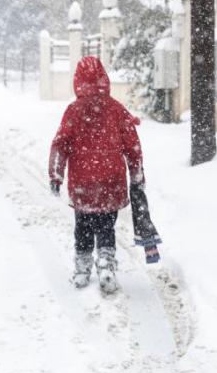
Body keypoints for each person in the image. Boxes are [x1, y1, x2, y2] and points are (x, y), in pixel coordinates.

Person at [48, 56, 151, 294]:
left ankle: (82, 268)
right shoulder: (115, 109)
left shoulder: (73, 111)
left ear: (78, 81)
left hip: (82, 183)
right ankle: (105, 264)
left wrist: (56, 174)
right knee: (106, 226)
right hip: (111, 182)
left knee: (83, 225)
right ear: (104, 78)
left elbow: (60, 145)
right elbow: (133, 146)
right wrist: (137, 175)